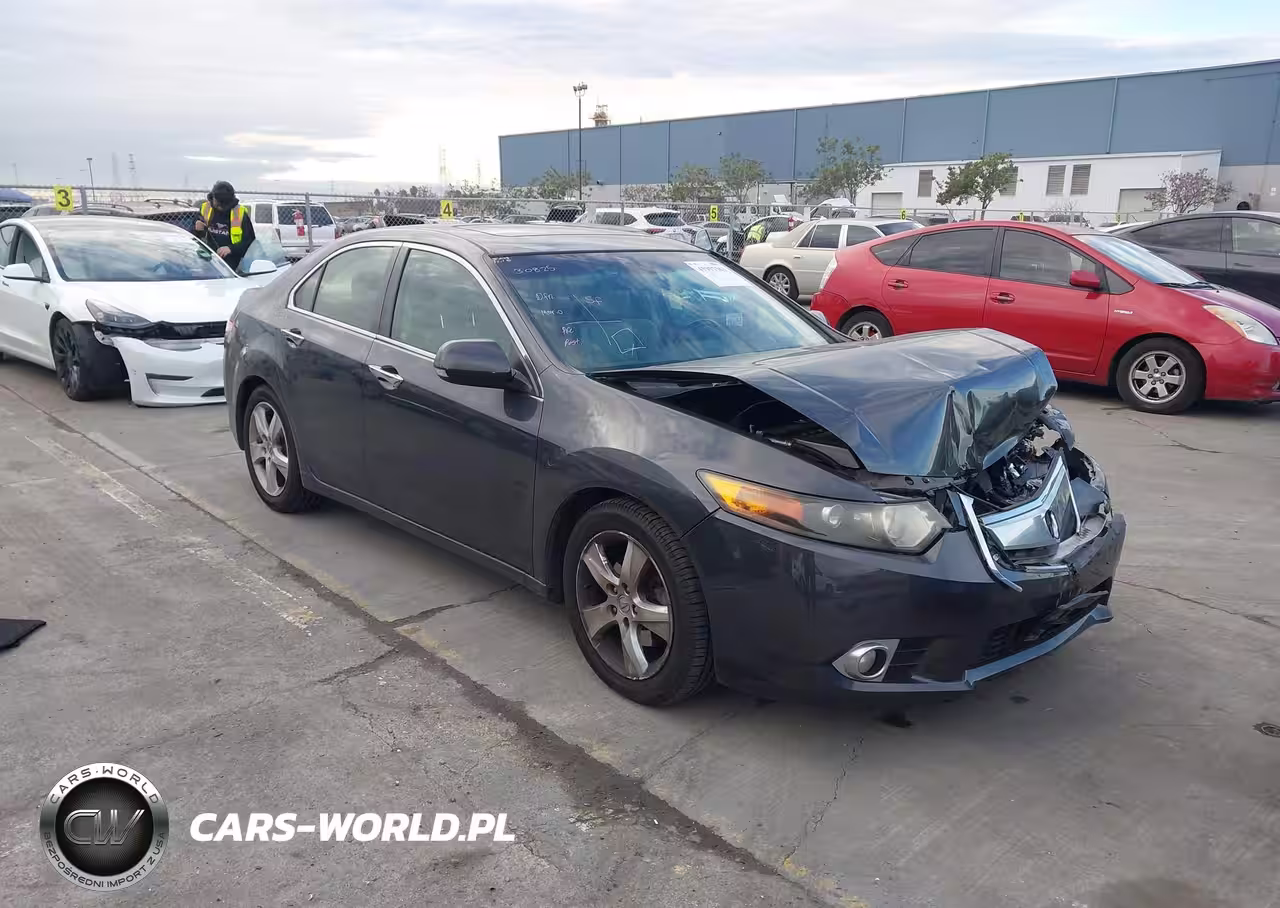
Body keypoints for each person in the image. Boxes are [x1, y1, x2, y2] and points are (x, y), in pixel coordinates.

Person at [192, 181, 255, 271]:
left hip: (232, 266)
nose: (220, 207)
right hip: (208, 262)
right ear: (213, 198)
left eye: (223, 204)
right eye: (218, 203)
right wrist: (197, 229)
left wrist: (231, 249)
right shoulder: (205, 208)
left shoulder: (239, 213)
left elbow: (250, 241)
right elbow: (193, 236)